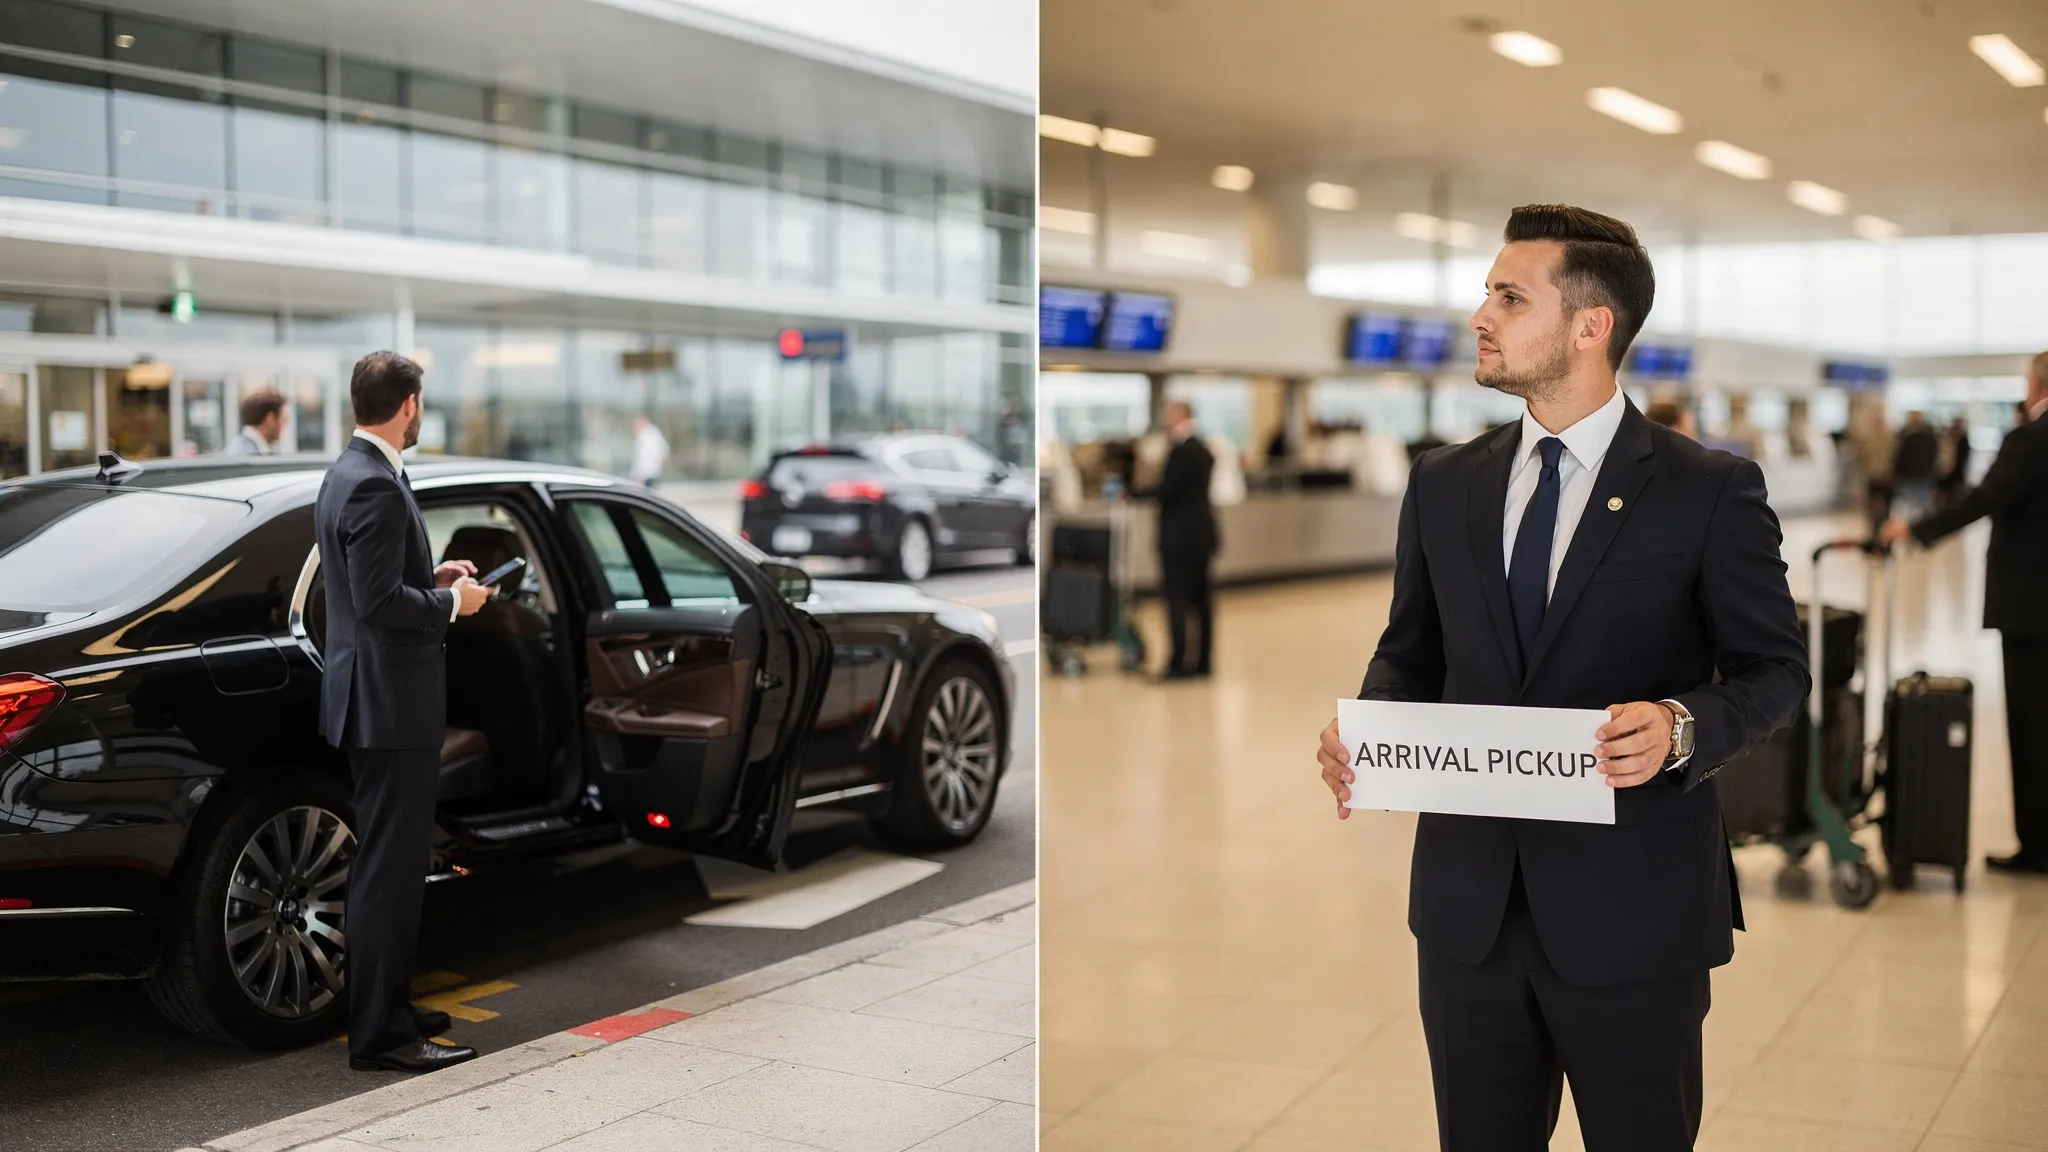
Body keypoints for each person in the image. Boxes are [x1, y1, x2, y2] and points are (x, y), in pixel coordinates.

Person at [1315, 205, 1808, 1151]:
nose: (1480, 316)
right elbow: (1411, 651)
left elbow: (1776, 669)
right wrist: (1371, 734)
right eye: (1485, 292)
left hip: (1635, 912)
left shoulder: (1707, 490)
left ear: (1592, 326)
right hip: (1470, 918)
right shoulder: (1444, 483)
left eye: (1510, 296)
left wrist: (1682, 725)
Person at [316, 351, 490, 1073]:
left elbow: (370, 586)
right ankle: (383, 1037)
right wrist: (455, 602)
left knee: (385, 868)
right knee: (388, 875)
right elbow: (384, 607)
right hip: (390, 704)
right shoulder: (375, 486)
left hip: (374, 698)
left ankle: (386, 1007)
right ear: (409, 404)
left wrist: (434, 573)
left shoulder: (349, 472)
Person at [1881, 351, 2048, 875]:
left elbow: (1987, 497)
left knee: (2034, 726)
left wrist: (1916, 529)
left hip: (2032, 608)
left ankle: (2039, 847)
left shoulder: (2031, 438)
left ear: (2035, 383)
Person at [1134, 400, 1217, 680]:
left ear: (1179, 416)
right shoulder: (1204, 450)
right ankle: (1204, 661)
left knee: (1177, 601)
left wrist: (1135, 493)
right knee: (1202, 602)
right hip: (1202, 535)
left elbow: (1167, 490)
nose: (1165, 418)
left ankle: (1178, 662)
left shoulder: (1181, 451)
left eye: (1168, 414)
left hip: (1179, 537)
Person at [1892, 410, 1939, 519]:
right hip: (1924, 475)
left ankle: (1914, 527)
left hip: (1912, 476)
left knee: (1910, 505)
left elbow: (1901, 458)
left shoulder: (1909, 438)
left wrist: (1897, 474)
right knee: (1922, 505)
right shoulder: (1930, 438)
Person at [226, 389, 286, 455]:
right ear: (270, 419)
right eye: (283, 419)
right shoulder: (247, 452)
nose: (285, 424)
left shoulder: (243, 446)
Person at [628, 415, 670, 489]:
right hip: (652, 472)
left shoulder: (645, 436)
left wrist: (636, 474)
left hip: (647, 474)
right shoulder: (654, 434)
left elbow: (641, 458)